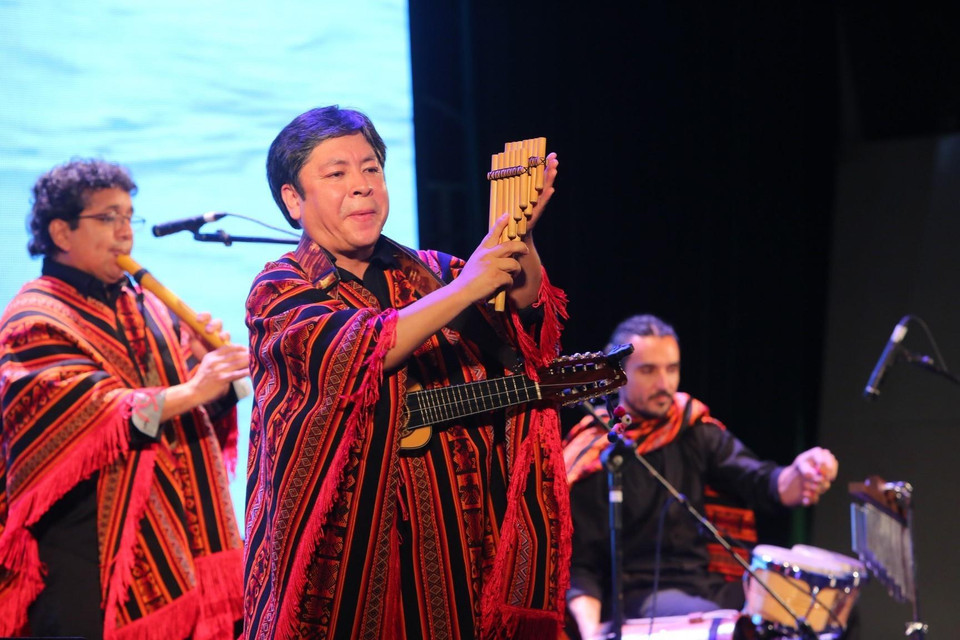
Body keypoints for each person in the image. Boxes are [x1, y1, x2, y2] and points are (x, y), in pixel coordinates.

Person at [243, 106, 571, 639]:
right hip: (343, 556)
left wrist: (520, 236)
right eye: (337, 173)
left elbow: (522, 311)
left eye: (371, 168)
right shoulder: (279, 289)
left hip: (455, 539)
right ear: (293, 200)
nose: (362, 187)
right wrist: (466, 288)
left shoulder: (432, 272)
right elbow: (354, 351)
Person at [0, 159, 249, 639]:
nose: (125, 233)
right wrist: (193, 388)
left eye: (128, 217)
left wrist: (205, 369)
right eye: (108, 218)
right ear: (61, 231)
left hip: (178, 525)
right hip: (82, 541)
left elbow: (190, 403)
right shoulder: (34, 318)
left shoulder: (145, 303)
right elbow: (91, 413)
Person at [563, 314, 838, 640]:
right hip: (635, 594)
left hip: (702, 584)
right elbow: (581, 565)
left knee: (823, 612)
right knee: (732, 629)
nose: (664, 383)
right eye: (649, 370)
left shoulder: (691, 425)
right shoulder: (593, 455)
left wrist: (800, 474)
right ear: (616, 375)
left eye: (672, 369)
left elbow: (761, 482)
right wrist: (590, 631)